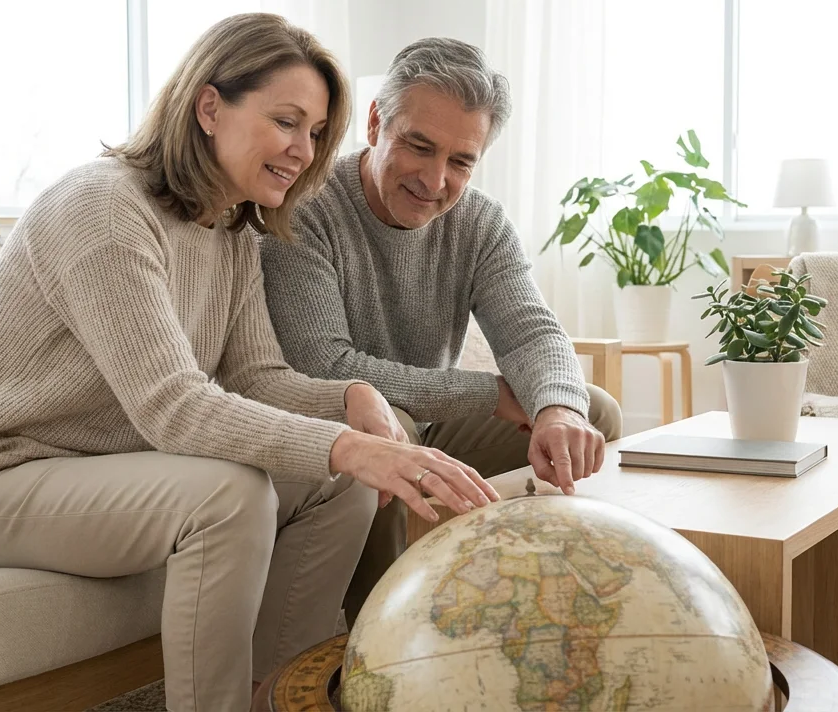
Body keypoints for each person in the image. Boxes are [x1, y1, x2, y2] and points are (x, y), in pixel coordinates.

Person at [0, 14, 498, 712]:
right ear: (210, 106)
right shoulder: (101, 207)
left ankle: (279, 696)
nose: (303, 151)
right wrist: (346, 446)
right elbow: (173, 404)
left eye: (314, 133)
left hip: (90, 469)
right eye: (287, 122)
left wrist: (351, 402)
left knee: (338, 485)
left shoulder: (230, 227)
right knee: (231, 498)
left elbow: (256, 377)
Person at [258, 37, 624, 622]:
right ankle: (373, 631)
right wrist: (488, 393)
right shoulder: (306, 204)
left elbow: (532, 333)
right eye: (418, 146)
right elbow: (322, 363)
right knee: (388, 431)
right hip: (336, 421)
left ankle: (533, 608)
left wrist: (557, 408)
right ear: (377, 122)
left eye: (460, 161)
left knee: (591, 414)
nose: (435, 180)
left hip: (429, 419)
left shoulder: (478, 222)